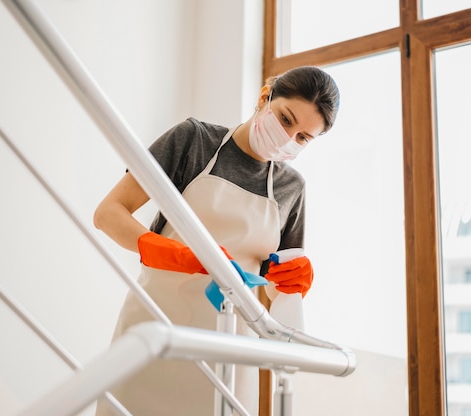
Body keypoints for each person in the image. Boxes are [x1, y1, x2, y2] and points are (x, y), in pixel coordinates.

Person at [93, 65, 340, 416]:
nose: (288, 138)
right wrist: (173, 253)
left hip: (231, 354)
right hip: (155, 333)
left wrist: (290, 286)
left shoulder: (291, 190)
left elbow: (273, 303)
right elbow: (109, 213)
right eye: (285, 119)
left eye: (303, 138)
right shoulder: (193, 141)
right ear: (264, 98)